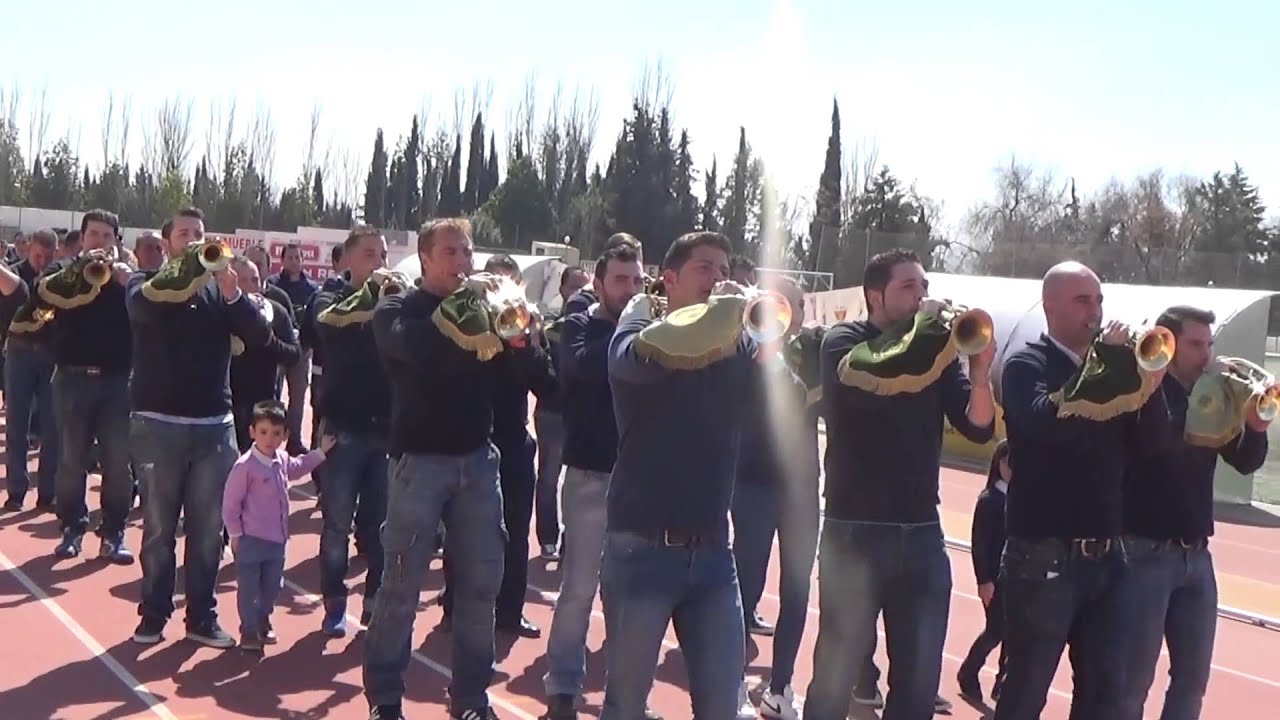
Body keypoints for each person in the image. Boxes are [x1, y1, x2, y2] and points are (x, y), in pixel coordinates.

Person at [365, 218, 549, 720]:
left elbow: (537, 381)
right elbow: (412, 349)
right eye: (450, 252)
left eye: (466, 252)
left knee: (480, 586)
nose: (462, 262)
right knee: (400, 586)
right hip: (417, 463)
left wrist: (522, 341)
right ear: (425, 258)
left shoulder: (489, 311)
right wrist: (464, 312)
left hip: (477, 461)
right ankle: (384, 697)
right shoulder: (397, 307)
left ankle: (469, 698)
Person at [805, 249, 995, 720]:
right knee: (837, 668)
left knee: (917, 679)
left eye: (923, 287)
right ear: (875, 295)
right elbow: (875, 379)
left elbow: (978, 427)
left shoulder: (936, 354)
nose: (921, 297)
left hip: (921, 532)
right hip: (856, 530)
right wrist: (928, 338)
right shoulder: (843, 342)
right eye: (909, 287)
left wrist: (980, 371)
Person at [600, 231, 775, 720]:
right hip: (641, 547)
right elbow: (629, 363)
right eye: (705, 268)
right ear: (670, 280)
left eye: (725, 270)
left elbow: (784, 406)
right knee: (626, 705)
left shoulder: (736, 345)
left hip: (715, 553)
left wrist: (767, 346)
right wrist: (723, 322)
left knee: (722, 705)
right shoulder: (642, 333)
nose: (719, 280)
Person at [995, 261, 1171, 720]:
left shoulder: (1117, 372)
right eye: (1082, 301)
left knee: (1104, 694)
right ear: (1050, 306)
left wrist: (1148, 384)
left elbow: (1154, 444)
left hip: (1108, 556)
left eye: (1098, 300)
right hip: (1043, 555)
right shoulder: (1026, 364)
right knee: (1026, 690)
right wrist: (1107, 371)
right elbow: (1044, 422)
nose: (1095, 311)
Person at [129, 207, 273, 649]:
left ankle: (201, 618)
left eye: (200, 234)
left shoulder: (220, 289)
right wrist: (185, 275)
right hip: (158, 422)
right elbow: (143, 310)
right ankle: (154, 614)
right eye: (184, 233)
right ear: (168, 241)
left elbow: (259, 337)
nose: (193, 240)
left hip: (214, 425)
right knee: (158, 528)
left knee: (210, 529)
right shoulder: (145, 283)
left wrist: (233, 295)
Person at [1118, 305, 1270, 720]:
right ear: (1168, 343)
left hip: (1196, 557)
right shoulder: (1142, 390)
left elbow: (1244, 461)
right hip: (1143, 552)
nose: (1207, 354)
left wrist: (1255, 426)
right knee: (1133, 680)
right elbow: (1158, 445)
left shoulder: (1211, 395)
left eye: (1210, 344)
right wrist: (1212, 404)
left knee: (1192, 680)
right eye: (1196, 344)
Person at [541, 244, 662, 720]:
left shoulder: (653, 328)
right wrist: (630, 328)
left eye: (637, 282)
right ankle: (563, 692)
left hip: (639, 480)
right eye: (621, 281)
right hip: (591, 472)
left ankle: (626, 700)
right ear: (599, 283)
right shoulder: (580, 323)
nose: (631, 290)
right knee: (578, 590)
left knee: (631, 598)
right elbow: (582, 367)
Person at [744, 277, 822, 720]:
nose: (783, 313)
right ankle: (733, 679)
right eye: (771, 304)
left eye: (791, 305)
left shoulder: (814, 354)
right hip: (753, 481)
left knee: (796, 591)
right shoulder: (742, 350)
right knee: (746, 582)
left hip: (801, 488)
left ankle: (780, 686)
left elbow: (808, 399)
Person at [312, 226, 394, 637]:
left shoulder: (396, 300)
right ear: (346, 259)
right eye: (368, 254)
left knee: (381, 525)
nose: (378, 262)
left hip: (385, 430)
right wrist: (373, 298)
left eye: (382, 254)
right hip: (342, 428)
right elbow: (325, 330)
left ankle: (375, 600)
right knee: (336, 524)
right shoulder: (331, 297)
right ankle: (334, 602)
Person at [40, 211, 135, 563]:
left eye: (106, 236)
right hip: (72, 378)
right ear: (82, 239)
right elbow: (42, 299)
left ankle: (113, 532)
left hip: (117, 380)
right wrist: (78, 272)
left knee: (118, 461)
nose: (99, 241)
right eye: (93, 234)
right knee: (71, 459)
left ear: (116, 241)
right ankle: (72, 528)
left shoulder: (128, 277)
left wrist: (130, 283)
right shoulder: (61, 273)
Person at [223, 401, 332, 652]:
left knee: (272, 587)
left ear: (285, 435)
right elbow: (231, 503)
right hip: (251, 540)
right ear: (252, 432)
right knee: (249, 589)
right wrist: (236, 534)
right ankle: (249, 630)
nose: (269, 439)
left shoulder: (282, 459)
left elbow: (299, 467)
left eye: (275, 433)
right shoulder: (245, 467)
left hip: (277, 541)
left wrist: (320, 453)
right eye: (263, 432)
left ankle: (263, 618)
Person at [532, 264, 590, 560]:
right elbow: (542, 369)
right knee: (550, 477)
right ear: (563, 290)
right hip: (553, 413)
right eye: (575, 287)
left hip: (582, 414)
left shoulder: (593, 327)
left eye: (586, 286)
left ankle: (572, 541)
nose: (580, 293)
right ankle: (548, 538)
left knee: (581, 480)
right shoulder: (551, 328)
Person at [0, 228, 59, 512]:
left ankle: (48, 492)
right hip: (20, 352)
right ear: (28, 250)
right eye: (38, 256)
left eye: (48, 257)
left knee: (52, 426)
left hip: (51, 356)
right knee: (16, 423)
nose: (42, 261)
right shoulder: (12, 276)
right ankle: (16, 491)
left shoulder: (62, 278)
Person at [957, 439, 1012, 703]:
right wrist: (984, 580)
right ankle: (968, 672)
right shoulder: (989, 500)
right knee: (995, 631)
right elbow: (980, 543)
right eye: (1009, 462)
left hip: (1017, 577)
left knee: (1014, 633)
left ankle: (1002, 682)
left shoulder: (1018, 498)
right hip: (995, 578)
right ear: (998, 463)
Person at [228, 255, 301, 450]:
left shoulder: (276, 311)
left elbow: (294, 354)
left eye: (255, 279)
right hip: (225, 408)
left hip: (262, 406)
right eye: (242, 280)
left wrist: (268, 341)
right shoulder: (219, 311)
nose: (251, 285)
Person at [267, 242, 319, 454]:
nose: (295, 261)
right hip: (278, 350)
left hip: (302, 351)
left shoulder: (312, 289)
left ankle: (295, 441)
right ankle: (270, 438)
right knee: (274, 396)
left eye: (298, 257)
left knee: (297, 398)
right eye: (290, 258)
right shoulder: (274, 286)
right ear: (282, 260)